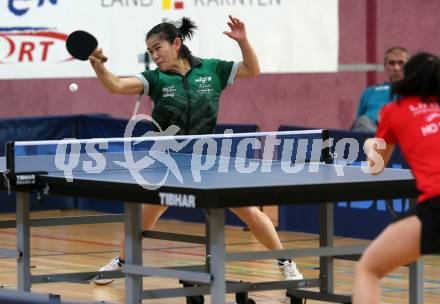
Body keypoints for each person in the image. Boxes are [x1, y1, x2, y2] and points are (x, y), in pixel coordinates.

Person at [89, 15, 303, 285]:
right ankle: (121, 262)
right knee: (141, 221)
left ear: (176, 43)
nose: (155, 55)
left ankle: (286, 262)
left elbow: (253, 69)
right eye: (150, 51)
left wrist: (243, 42)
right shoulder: (154, 79)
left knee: (249, 211)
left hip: (206, 160)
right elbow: (116, 85)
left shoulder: (211, 70)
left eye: (158, 48)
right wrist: (99, 68)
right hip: (169, 163)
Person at [352, 52, 440, 303]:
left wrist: (370, 146)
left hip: (436, 204)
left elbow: (376, 166)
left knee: (368, 269)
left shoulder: (394, 110)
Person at [351, 47, 410, 132]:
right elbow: (358, 123)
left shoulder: (416, 91)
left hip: (401, 132)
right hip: (372, 132)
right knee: (362, 121)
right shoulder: (369, 92)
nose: (396, 68)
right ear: (385, 67)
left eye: (401, 63)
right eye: (391, 63)